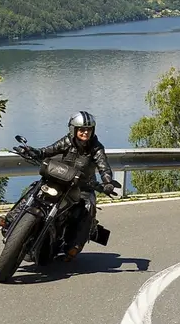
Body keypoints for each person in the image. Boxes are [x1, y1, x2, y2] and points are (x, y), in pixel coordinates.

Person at [19, 111, 117, 261]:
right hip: (61, 179)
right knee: (36, 188)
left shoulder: (96, 148)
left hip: (83, 186)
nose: (85, 132)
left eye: (89, 129)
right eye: (82, 129)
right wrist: (34, 151)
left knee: (88, 207)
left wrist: (108, 182)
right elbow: (48, 150)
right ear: (74, 129)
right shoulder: (67, 141)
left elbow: (104, 167)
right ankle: (11, 218)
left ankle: (74, 246)